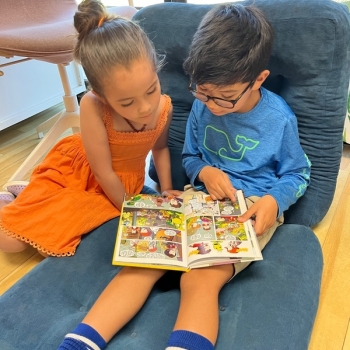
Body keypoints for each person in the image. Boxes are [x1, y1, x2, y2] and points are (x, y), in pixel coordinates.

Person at [58, 4, 311, 350]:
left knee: (201, 279)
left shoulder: (278, 119)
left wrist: (273, 201)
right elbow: (191, 157)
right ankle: (78, 344)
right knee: (142, 263)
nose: (212, 106)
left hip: (249, 207)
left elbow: (298, 172)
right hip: (195, 199)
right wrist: (205, 171)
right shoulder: (202, 104)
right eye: (202, 92)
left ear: (259, 79)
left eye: (225, 98)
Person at [0, 0, 180, 258]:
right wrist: (132, 213)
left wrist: (165, 189)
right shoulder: (92, 105)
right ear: (101, 96)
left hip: (124, 186)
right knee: (13, 242)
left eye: (152, 89)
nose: (145, 108)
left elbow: (160, 149)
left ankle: (30, 194)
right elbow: (103, 172)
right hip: (83, 177)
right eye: (127, 102)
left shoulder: (164, 107)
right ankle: (13, 200)